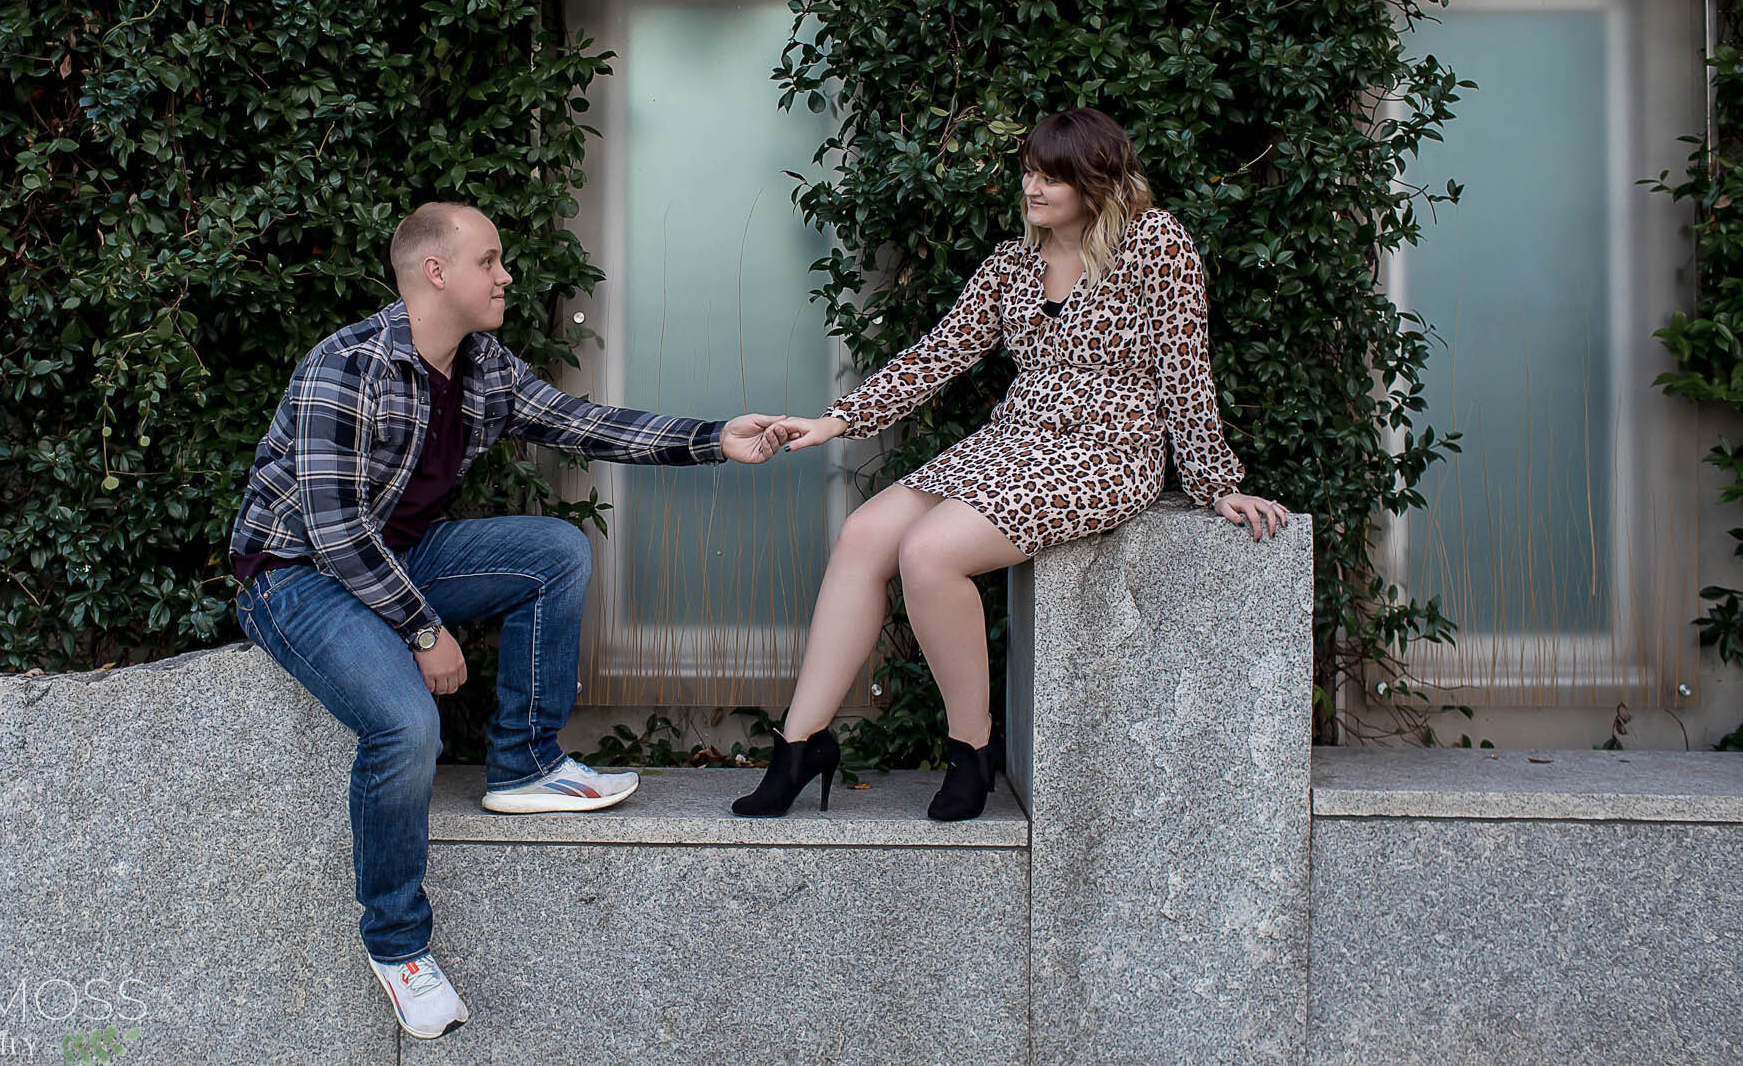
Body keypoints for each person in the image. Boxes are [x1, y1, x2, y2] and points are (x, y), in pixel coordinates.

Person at [228, 201, 793, 1040]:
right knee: (406, 726)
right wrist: (423, 629)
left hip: (396, 558)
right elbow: (333, 530)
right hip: (295, 576)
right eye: (489, 261)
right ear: (435, 272)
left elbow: (585, 424)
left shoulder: (483, 365)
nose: (506, 275)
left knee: (554, 552)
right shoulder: (346, 366)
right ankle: (395, 944)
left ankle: (524, 765)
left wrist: (716, 438)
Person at [733, 108, 1291, 823]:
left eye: (1051, 175)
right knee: (862, 537)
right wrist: (837, 419)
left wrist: (1215, 483)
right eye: (1029, 169)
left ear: (1098, 180)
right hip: (1013, 440)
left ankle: (972, 750)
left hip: (1106, 449)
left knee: (929, 554)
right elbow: (937, 354)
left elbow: (1185, 366)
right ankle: (800, 745)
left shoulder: (1155, 243)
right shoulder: (1012, 263)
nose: (1032, 185)